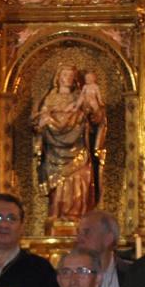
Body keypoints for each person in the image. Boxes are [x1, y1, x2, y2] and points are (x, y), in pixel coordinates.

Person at [31, 64, 102, 221]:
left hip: (78, 148)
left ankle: (78, 216)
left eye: (71, 76)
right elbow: (37, 123)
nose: (68, 78)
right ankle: (57, 215)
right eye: (65, 75)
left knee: (79, 179)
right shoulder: (49, 98)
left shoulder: (80, 96)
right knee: (59, 184)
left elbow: (96, 119)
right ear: (58, 77)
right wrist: (47, 121)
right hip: (55, 151)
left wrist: (94, 107)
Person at [75, 209, 128, 287]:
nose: (79, 238)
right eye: (78, 233)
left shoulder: (131, 274)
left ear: (108, 239)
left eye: (86, 232)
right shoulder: (69, 275)